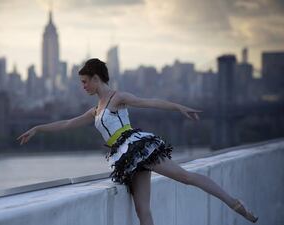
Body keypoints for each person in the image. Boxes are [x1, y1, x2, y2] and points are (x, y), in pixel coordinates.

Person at [17, 58, 258, 224]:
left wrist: (178, 107)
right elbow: (68, 124)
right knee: (142, 210)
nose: (83, 87)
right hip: (126, 157)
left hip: (136, 147)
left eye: (84, 81)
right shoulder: (95, 110)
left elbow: (149, 102)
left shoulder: (117, 97)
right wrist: (38, 128)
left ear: (96, 78)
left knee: (185, 177)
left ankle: (234, 203)